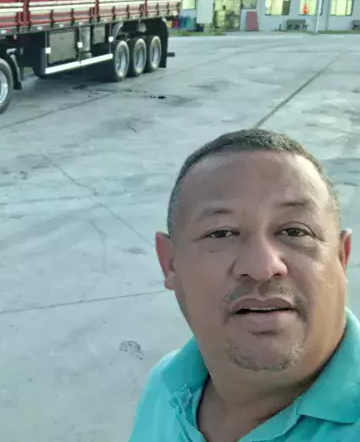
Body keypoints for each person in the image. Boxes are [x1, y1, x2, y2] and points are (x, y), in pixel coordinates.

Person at [129, 128, 357, 441]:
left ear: (341, 258)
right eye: (221, 233)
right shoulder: (165, 387)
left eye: (295, 231)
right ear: (170, 263)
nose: (262, 268)